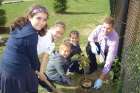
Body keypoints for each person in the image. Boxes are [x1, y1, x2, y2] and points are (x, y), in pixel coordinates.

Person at [0, 5, 48, 93]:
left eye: (44, 19)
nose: (42, 22)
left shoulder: (22, 25)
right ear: (30, 17)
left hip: (5, 67)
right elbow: (34, 60)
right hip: (15, 72)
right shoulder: (31, 35)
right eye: (38, 18)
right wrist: (41, 73)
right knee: (31, 83)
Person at [86, 16, 119, 89]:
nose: (105, 30)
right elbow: (90, 37)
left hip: (108, 50)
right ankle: (93, 67)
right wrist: (93, 44)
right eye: (104, 27)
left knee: (111, 63)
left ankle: (114, 79)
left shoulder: (114, 38)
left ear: (113, 28)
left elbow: (109, 60)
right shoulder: (99, 28)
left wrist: (100, 78)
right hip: (99, 45)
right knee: (88, 48)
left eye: (108, 28)